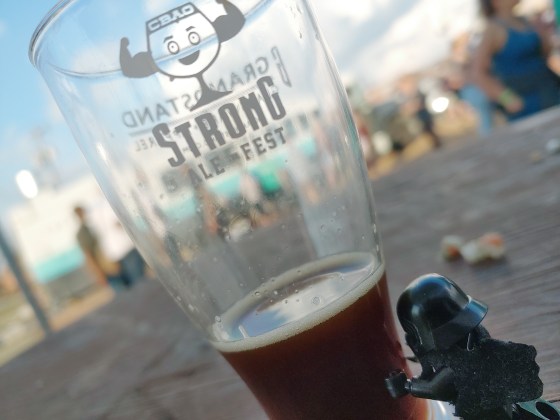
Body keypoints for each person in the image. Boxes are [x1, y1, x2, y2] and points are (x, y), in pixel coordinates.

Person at [473, 0, 560, 122]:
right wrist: (506, 98)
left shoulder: (526, 21)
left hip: (548, 89)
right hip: (525, 100)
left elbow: (544, 54)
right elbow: (478, 72)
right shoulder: (493, 29)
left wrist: (545, 35)